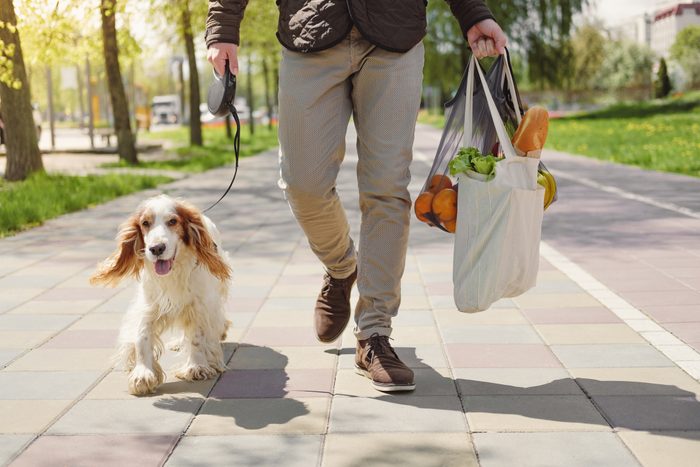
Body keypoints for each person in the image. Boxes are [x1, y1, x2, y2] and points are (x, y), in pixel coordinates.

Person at [206, 0, 506, 392]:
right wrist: (223, 26)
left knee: (387, 187)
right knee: (302, 183)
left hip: (394, 32)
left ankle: (375, 334)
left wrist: (473, 13)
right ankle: (341, 266)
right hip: (309, 29)